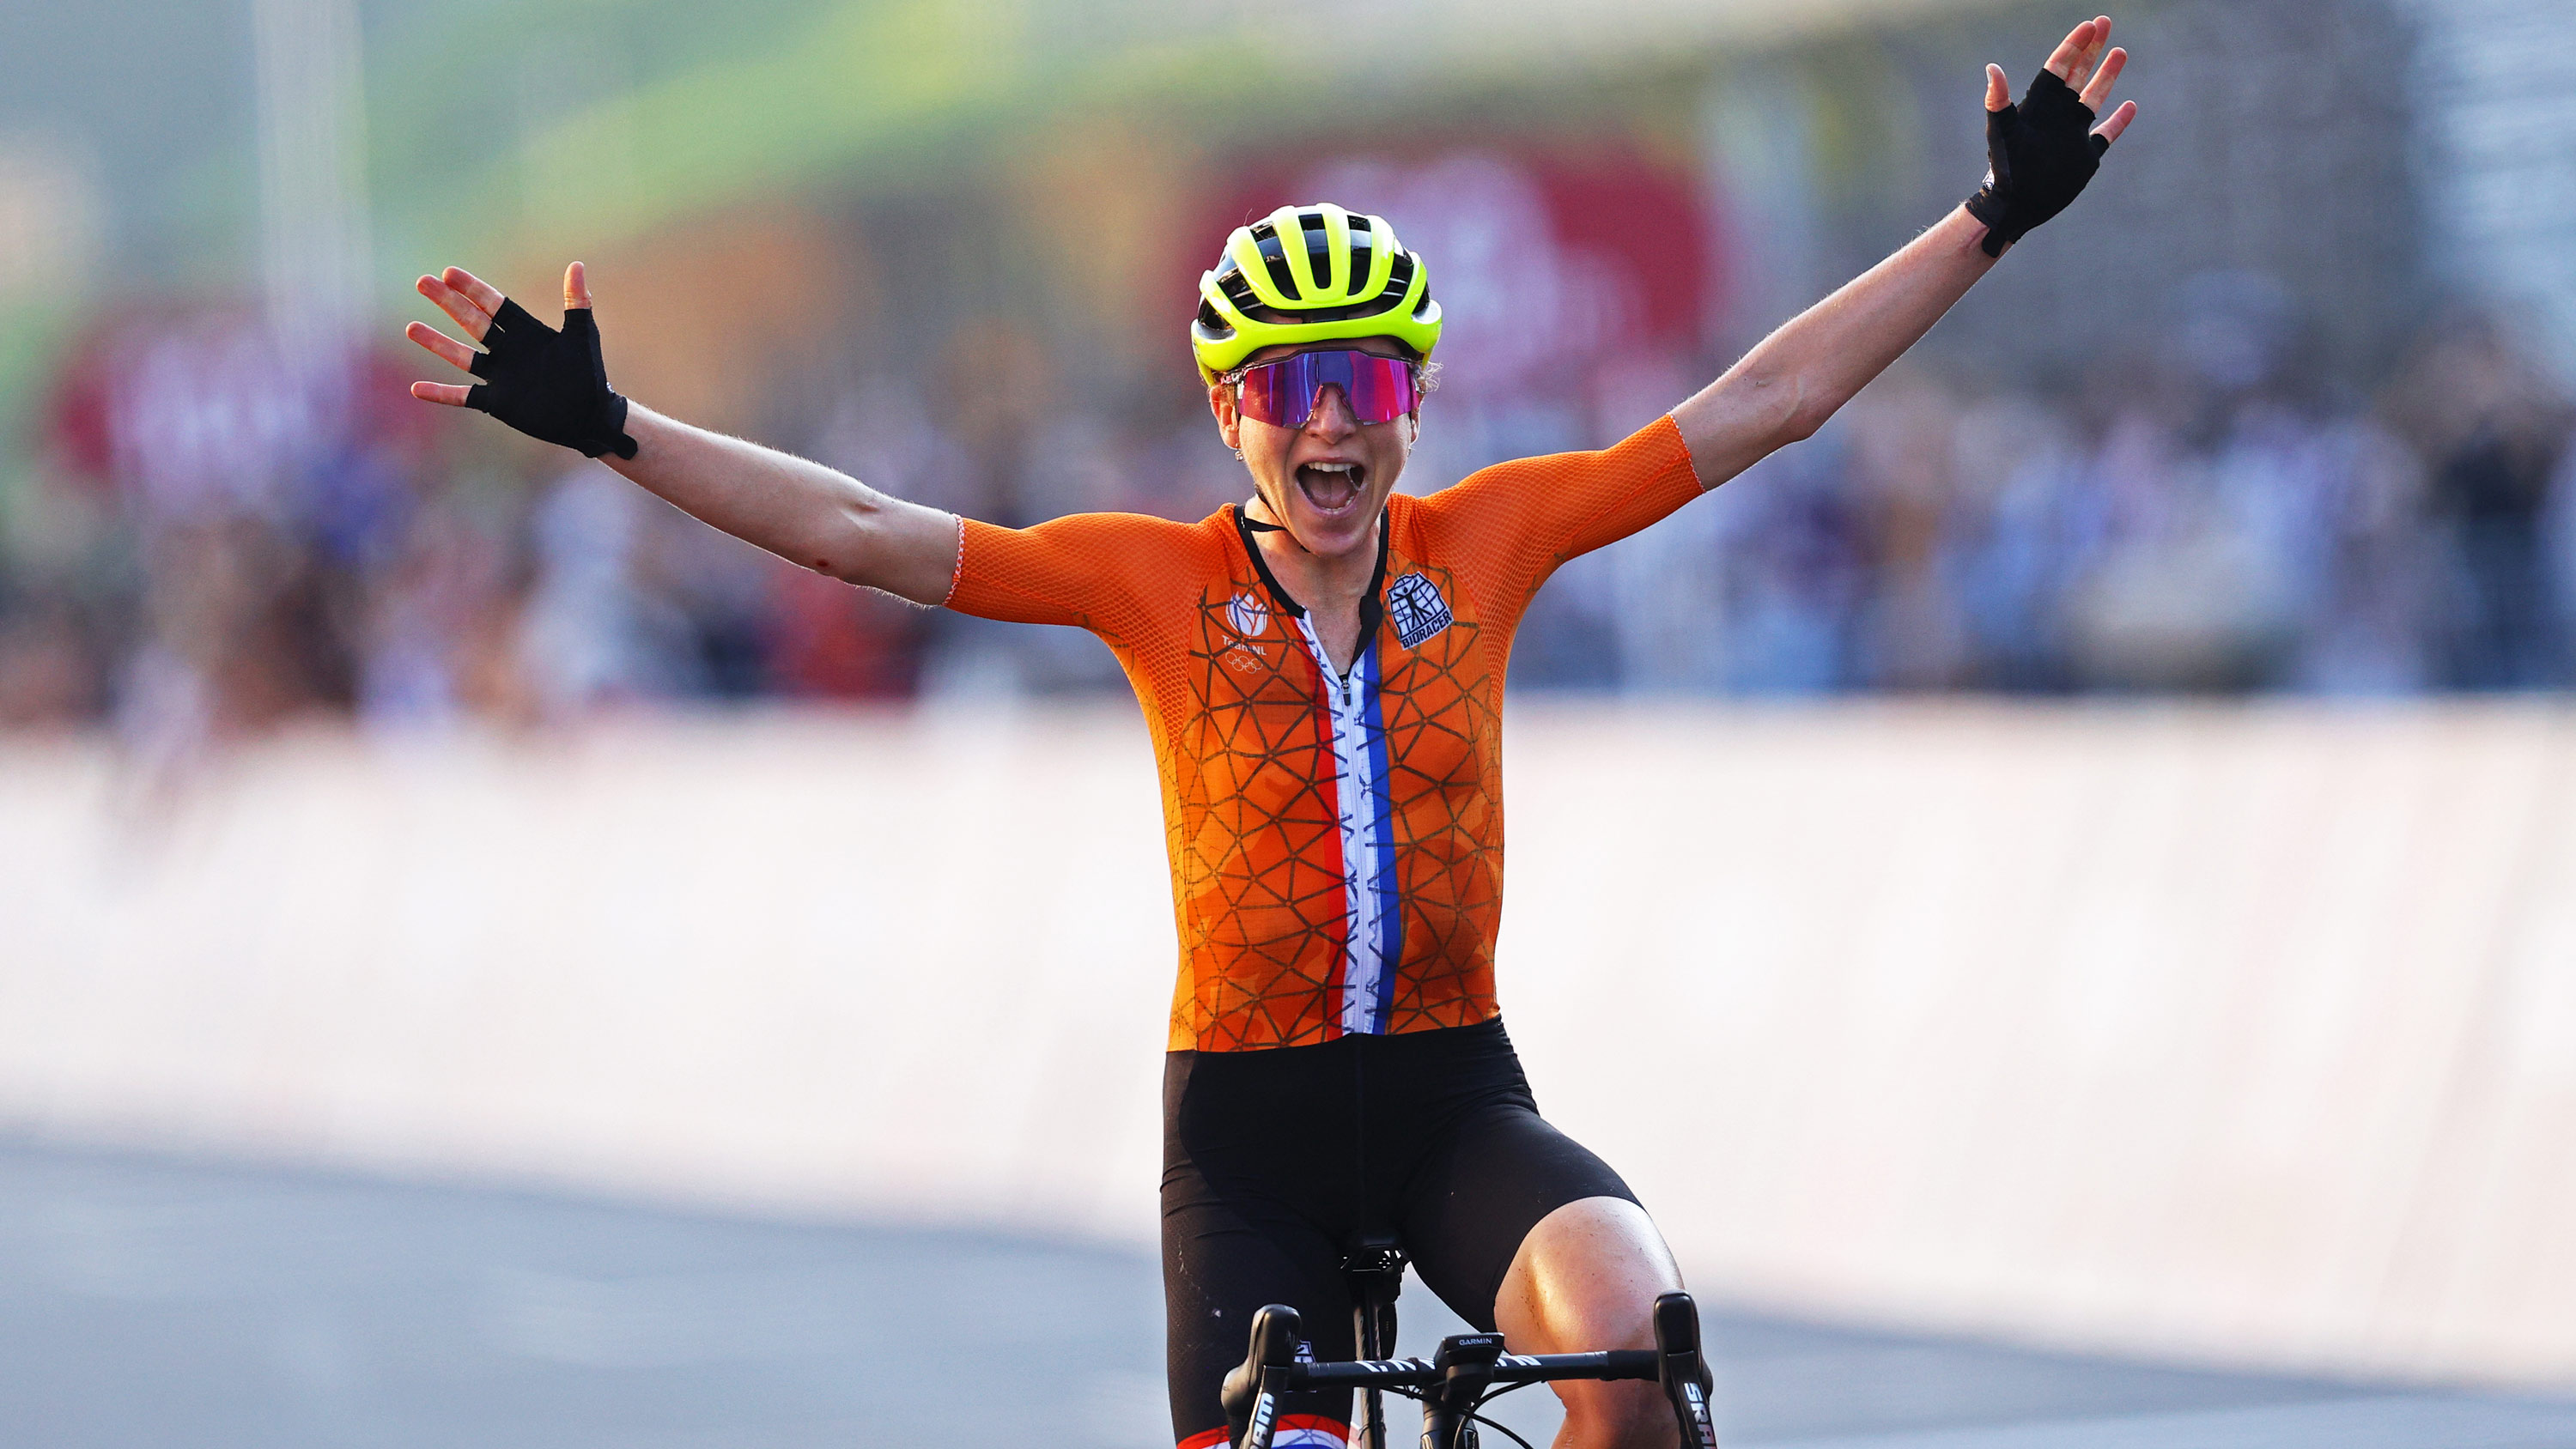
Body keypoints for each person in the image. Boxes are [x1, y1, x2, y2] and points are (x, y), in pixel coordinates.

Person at [404, 19, 2135, 1447]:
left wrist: (1989, 221)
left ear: (1411, 406)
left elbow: (1763, 400)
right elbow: (861, 528)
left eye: (1368, 382)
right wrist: (613, 426)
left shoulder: (1493, 539)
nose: (1331, 421)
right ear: (1230, 413)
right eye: (1289, 388)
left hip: (1457, 1096)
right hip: (1247, 1137)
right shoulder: (1147, 581)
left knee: (1634, 1341)